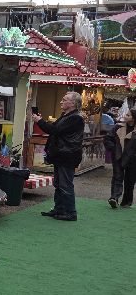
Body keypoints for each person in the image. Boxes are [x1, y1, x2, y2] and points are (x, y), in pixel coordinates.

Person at [33, 91, 85, 221]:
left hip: (67, 155)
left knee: (65, 185)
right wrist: (41, 121)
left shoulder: (75, 118)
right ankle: (60, 209)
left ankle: (70, 212)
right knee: (59, 184)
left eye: (64, 99)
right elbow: (53, 128)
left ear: (73, 103)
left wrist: (40, 121)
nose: (61, 102)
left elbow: (55, 130)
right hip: (62, 154)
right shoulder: (67, 116)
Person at [109, 109, 136, 208]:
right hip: (118, 156)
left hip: (132, 159)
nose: (125, 116)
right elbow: (108, 138)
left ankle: (126, 201)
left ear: (133, 118)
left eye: (128, 115)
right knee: (117, 176)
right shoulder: (118, 127)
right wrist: (114, 149)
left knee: (130, 180)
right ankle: (114, 198)